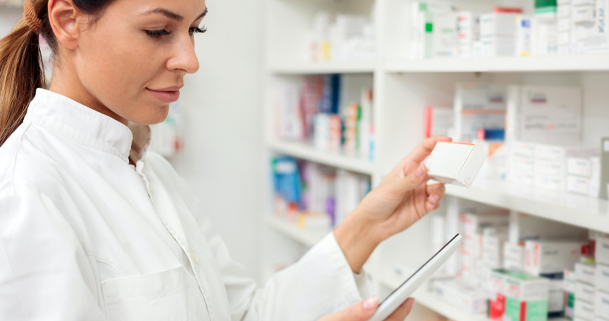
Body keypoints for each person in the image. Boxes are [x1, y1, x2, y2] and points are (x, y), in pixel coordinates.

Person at [0, 0, 450, 320]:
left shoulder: (152, 172)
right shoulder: (25, 194)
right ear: (68, 21)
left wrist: (369, 225)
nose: (190, 60)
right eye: (159, 30)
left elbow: (243, 314)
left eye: (195, 30)